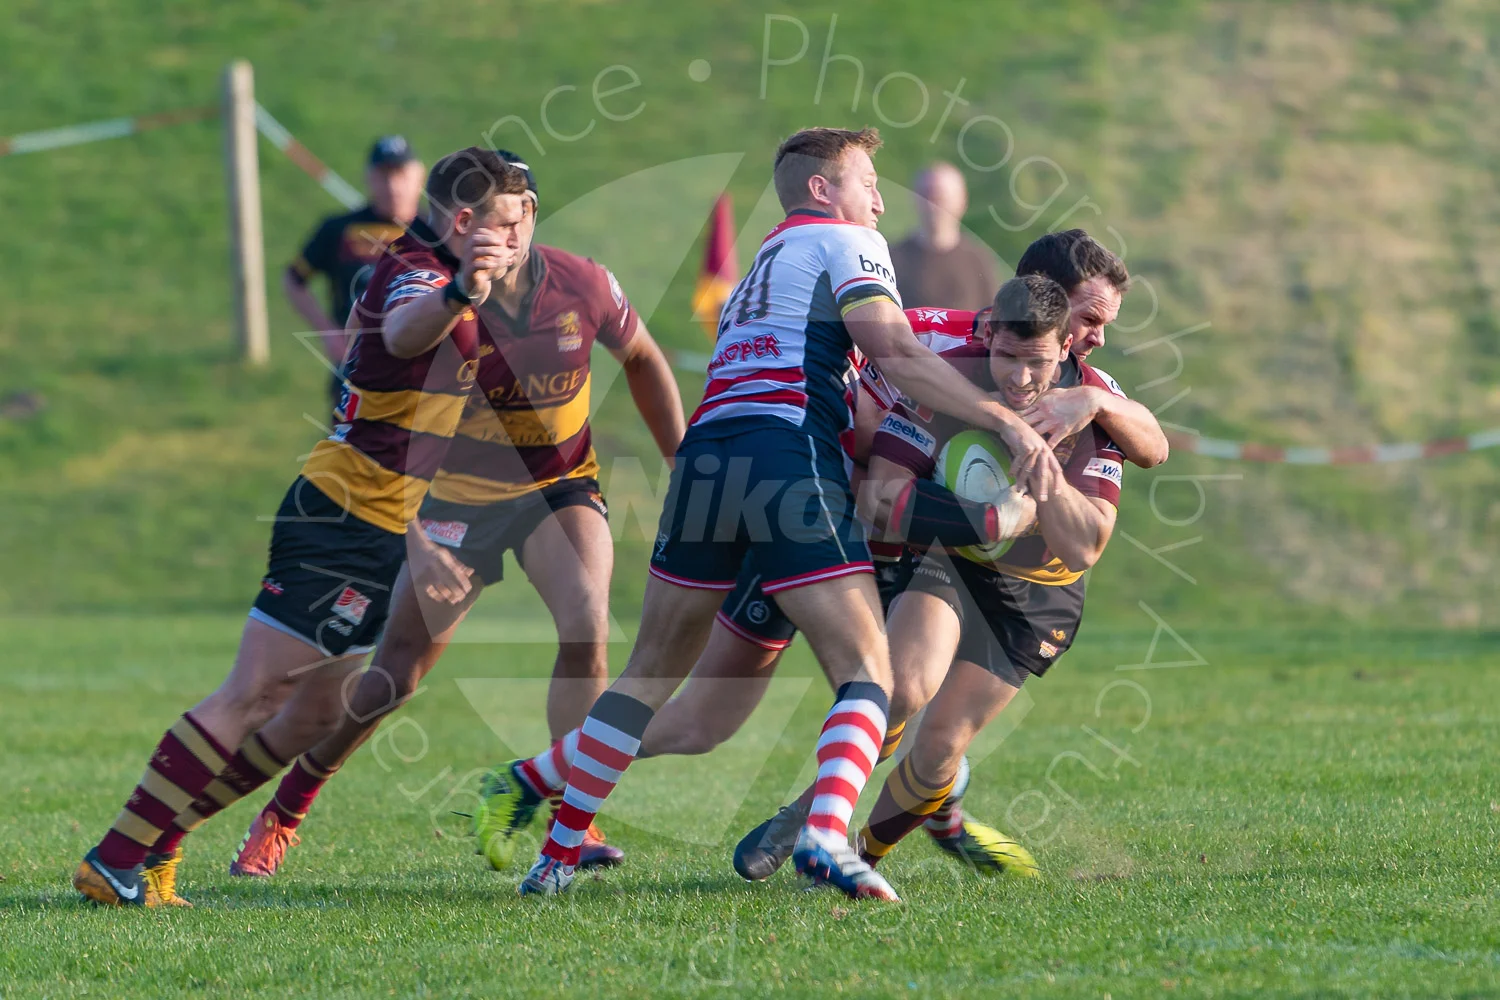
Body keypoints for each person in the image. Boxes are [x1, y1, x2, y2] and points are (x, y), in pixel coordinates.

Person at [496, 125, 1058, 902]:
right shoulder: (848, 243)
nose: (880, 200)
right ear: (824, 190)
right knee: (867, 670)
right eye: (868, 182)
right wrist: (1005, 421)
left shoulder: (769, 258)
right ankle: (828, 836)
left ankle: (553, 857)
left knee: (647, 676)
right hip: (783, 450)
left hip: (707, 456)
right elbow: (893, 351)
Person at [71, 147, 530, 907]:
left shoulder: (436, 266)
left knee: (315, 711)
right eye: (504, 225)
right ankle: (114, 858)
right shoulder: (422, 276)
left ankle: (160, 844)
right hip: (342, 517)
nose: (514, 239)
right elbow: (408, 331)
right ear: (461, 224)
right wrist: (461, 289)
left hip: (380, 526)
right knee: (252, 693)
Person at [223, 153, 686, 878]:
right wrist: (413, 537)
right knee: (393, 678)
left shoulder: (583, 283)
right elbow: (397, 356)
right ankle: (289, 806)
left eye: (513, 218)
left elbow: (644, 359)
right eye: (479, 225)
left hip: (557, 487)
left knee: (588, 624)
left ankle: (576, 818)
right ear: (457, 227)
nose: (499, 237)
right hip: (451, 503)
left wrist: (683, 462)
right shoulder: (426, 285)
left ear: (531, 214)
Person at [848, 272, 1127, 870]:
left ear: (1062, 349)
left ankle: (863, 855)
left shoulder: (1095, 402)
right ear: (990, 333)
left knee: (941, 746)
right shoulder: (952, 379)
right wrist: (989, 521)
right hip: (949, 565)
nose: (1020, 379)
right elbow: (880, 499)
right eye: (1007, 357)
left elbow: (1084, 549)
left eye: (1038, 363)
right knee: (901, 685)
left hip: (1039, 595)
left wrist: (1045, 489)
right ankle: (810, 821)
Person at [283, 136, 425, 404]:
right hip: (356, 369)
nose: (393, 186)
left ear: (419, 175)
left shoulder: (437, 232)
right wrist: (328, 333)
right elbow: (293, 280)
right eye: (384, 175)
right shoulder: (339, 229)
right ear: (369, 178)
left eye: (401, 174)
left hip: (421, 374)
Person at [887, 162, 998, 310]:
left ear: (962, 200)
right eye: (926, 195)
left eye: (940, 196)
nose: (932, 205)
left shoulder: (979, 261)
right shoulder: (890, 259)